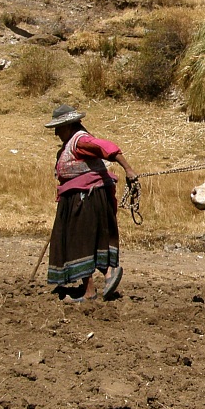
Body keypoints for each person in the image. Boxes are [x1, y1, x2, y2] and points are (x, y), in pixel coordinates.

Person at [44, 104, 139, 302]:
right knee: (91, 239)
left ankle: (90, 291)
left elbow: (107, 148)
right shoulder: (72, 143)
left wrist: (129, 170)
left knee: (79, 241)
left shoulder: (81, 141)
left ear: (68, 125)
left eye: (58, 128)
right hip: (80, 197)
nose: (56, 133)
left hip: (85, 198)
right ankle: (108, 274)